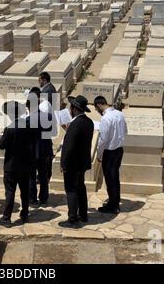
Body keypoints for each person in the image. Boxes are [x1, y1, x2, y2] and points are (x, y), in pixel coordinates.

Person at [0, 101, 38, 227]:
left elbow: (1, 145)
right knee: (24, 191)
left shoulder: (9, 129)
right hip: (25, 165)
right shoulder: (28, 126)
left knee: (10, 192)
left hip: (11, 166)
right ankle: (25, 214)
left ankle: (7, 218)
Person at [59, 95, 94, 228]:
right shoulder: (88, 122)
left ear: (74, 108)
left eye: (70, 107)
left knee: (71, 189)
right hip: (82, 162)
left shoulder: (75, 124)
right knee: (80, 187)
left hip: (72, 163)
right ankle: (83, 214)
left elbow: (69, 146)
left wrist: (63, 163)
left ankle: (73, 218)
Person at [94, 96, 127, 214]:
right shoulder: (120, 114)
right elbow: (125, 131)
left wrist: (99, 154)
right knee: (115, 177)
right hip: (119, 150)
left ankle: (112, 205)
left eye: (96, 109)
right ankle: (115, 200)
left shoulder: (106, 118)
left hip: (110, 152)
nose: (97, 112)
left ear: (98, 105)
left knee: (110, 179)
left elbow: (103, 139)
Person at [26, 87, 54, 207]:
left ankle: (32, 199)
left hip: (32, 153)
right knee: (43, 176)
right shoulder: (47, 117)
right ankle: (44, 198)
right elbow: (49, 134)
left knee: (32, 177)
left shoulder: (27, 120)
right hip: (44, 150)